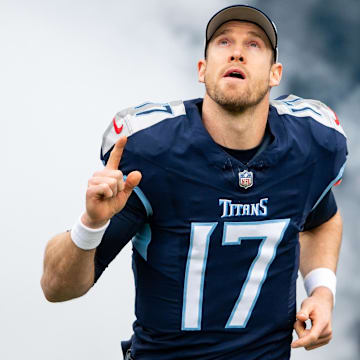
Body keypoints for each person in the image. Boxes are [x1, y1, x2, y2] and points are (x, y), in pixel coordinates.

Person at [41, 5, 347, 360]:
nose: (237, 50)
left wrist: (322, 291)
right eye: (223, 41)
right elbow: (55, 287)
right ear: (202, 70)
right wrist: (91, 223)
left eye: (254, 45)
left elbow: (321, 219)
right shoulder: (155, 155)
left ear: (274, 74)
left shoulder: (309, 147)